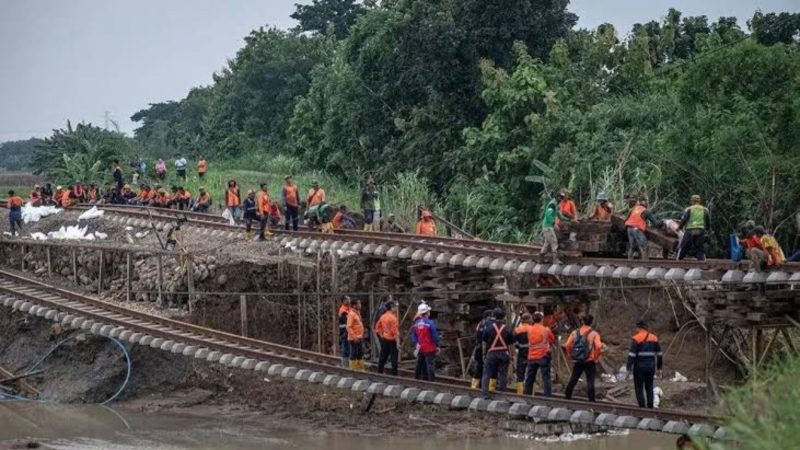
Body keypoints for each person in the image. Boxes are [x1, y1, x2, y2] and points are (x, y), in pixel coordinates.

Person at [564, 314, 602, 402]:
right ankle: (591, 400)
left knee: (574, 378)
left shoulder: (575, 332)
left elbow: (567, 345)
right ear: (591, 322)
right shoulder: (594, 334)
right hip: (589, 360)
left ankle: (567, 396)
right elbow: (599, 346)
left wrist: (570, 354)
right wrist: (596, 356)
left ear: (582, 321)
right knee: (590, 381)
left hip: (578, 360)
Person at [626, 320, 663, 409]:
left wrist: (628, 368)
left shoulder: (636, 338)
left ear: (639, 328)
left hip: (639, 368)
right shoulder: (654, 338)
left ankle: (642, 408)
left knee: (639, 388)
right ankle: (650, 407)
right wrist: (659, 368)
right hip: (651, 367)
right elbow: (659, 354)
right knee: (649, 387)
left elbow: (631, 355)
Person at [481, 308, 514, 396]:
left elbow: (484, 342)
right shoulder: (507, 328)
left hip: (491, 353)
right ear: (503, 317)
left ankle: (485, 393)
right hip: (504, 353)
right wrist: (511, 355)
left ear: (494, 316)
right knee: (503, 374)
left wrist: (484, 354)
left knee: (487, 373)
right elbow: (510, 344)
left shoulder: (489, 328)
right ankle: (502, 393)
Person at [524, 311, 555, 396]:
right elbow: (552, 340)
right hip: (543, 356)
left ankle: (527, 395)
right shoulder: (546, 330)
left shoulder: (529, 330)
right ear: (541, 319)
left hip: (532, 357)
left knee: (529, 378)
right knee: (546, 378)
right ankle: (547, 397)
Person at [410, 303, 439, 381]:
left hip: (420, 348)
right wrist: (437, 345)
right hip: (430, 348)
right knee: (430, 365)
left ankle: (417, 379)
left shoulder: (416, 324)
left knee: (420, 364)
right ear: (427, 313)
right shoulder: (430, 323)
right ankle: (431, 382)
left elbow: (413, 335)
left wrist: (416, 344)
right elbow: (435, 336)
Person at [541, 192, 572, 263]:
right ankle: (555, 259)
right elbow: (548, 215)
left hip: (549, 226)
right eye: (560, 198)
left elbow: (560, 216)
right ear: (557, 197)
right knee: (554, 241)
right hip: (547, 226)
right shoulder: (552, 204)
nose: (561, 200)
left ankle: (541, 258)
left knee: (547, 243)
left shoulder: (556, 205)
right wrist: (554, 223)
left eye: (562, 198)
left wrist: (569, 220)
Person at [677, 195, 710, 261]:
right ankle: (701, 261)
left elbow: (684, 219)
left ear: (692, 201)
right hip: (700, 230)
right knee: (699, 247)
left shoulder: (689, 209)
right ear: (699, 201)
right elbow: (708, 220)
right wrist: (708, 229)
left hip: (690, 229)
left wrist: (679, 227)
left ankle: (679, 259)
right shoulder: (705, 209)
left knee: (684, 246)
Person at [470, 309, 494, 389]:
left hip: (479, 348)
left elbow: (476, 336)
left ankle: (474, 386)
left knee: (479, 368)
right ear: (488, 317)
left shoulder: (480, 324)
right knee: (489, 368)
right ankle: (489, 387)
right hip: (487, 349)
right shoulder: (490, 325)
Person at [375, 301, 399, 375]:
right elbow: (394, 332)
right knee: (394, 359)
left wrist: (382, 335)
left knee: (382, 357)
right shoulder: (393, 318)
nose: (396, 308)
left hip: (385, 339)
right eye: (395, 306)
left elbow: (377, 327)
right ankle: (394, 375)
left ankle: (379, 372)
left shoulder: (383, 316)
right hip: (392, 341)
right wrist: (398, 342)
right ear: (391, 308)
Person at [513, 313, 534, 394]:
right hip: (532, 354)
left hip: (521, 353)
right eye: (530, 318)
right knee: (531, 373)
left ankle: (520, 392)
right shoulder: (533, 329)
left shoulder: (517, 329)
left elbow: (514, 342)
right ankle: (531, 392)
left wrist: (519, 347)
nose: (532, 320)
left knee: (520, 374)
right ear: (527, 319)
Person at [346, 298, 365, 371]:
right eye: (358, 304)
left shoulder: (357, 313)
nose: (360, 305)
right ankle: (353, 369)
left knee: (359, 353)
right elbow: (348, 326)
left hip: (359, 337)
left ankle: (359, 368)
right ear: (354, 305)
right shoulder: (351, 314)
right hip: (354, 338)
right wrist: (354, 337)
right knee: (354, 353)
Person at [337, 296, 352, 367]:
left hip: (347, 331)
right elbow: (346, 322)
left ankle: (346, 364)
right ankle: (345, 365)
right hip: (344, 332)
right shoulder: (343, 310)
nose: (349, 301)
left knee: (347, 347)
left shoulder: (348, 309)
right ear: (344, 301)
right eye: (348, 300)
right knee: (345, 348)